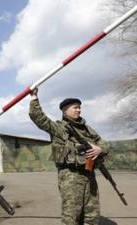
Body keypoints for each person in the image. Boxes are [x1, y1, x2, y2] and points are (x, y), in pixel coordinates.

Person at [28, 89, 109, 225]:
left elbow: (103, 142)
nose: (79, 110)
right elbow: (38, 117)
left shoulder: (87, 129)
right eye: (75, 107)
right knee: (72, 214)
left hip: (89, 174)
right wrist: (34, 98)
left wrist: (100, 148)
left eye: (80, 107)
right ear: (65, 110)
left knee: (92, 212)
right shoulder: (59, 128)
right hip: (70, 176)